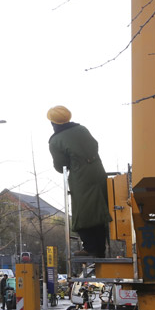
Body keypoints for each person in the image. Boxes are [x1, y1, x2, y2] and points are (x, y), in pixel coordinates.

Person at [47, 105, 112, 258]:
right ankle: (100, 249)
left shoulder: (55, 141)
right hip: (98, 171)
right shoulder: (82, 129)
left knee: (82, 214)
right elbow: (95, 145)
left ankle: (90, 248)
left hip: (80, 177)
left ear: (53, 123)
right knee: (99, 211)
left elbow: (60, 165)